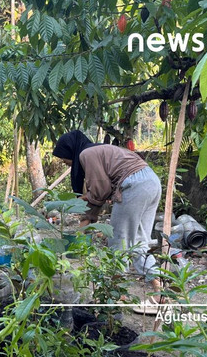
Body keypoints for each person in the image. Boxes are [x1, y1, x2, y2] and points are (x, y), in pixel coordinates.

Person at [52, 130, 163, 314]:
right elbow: (99, 193)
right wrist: (87, 215)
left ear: (70, 151)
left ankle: (116, 296)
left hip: (134, 185)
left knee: (117, 240)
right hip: (150, 182)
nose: (67, 164)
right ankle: (161, 293)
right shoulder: (99, 150)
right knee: (138, 243)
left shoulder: (86, 154)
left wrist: (83, 221)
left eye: (65, 161)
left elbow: (99, 191)